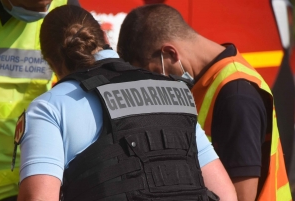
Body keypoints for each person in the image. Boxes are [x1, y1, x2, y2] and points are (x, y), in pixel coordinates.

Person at [17, 5, 237, 201]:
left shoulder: (51, 107)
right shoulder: (174, 92)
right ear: (104, 38)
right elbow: (225, 195)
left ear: (50, 61)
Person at [117, 4, 292, 201]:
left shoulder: (236, 97)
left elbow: (241, 196)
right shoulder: (208, 81)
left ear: (170, 53)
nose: (157, 85)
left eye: (155, 73)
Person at [0, 0, 79, 200]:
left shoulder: (65, 6)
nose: (43, 11)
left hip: (31, 183)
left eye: (46, 4)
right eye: (32, 4)